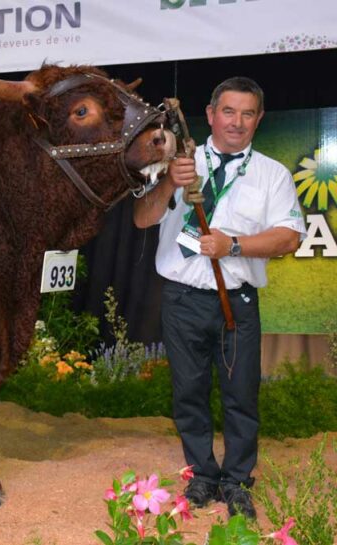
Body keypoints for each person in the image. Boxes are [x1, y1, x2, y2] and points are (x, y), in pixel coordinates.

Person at [133, 77, 306, 518]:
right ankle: (203, 477)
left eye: (248, 114)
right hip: (181, 301)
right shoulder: (178, 163)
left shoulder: (272, 174)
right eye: (228, 111)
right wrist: (170, 183)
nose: (237, 122)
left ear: (258, 119)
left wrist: (233, 245)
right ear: (210, 115)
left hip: (237, 304)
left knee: (241, 395)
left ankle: (237, 482)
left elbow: (288, 237)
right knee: (188, 394)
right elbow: (141, 218)